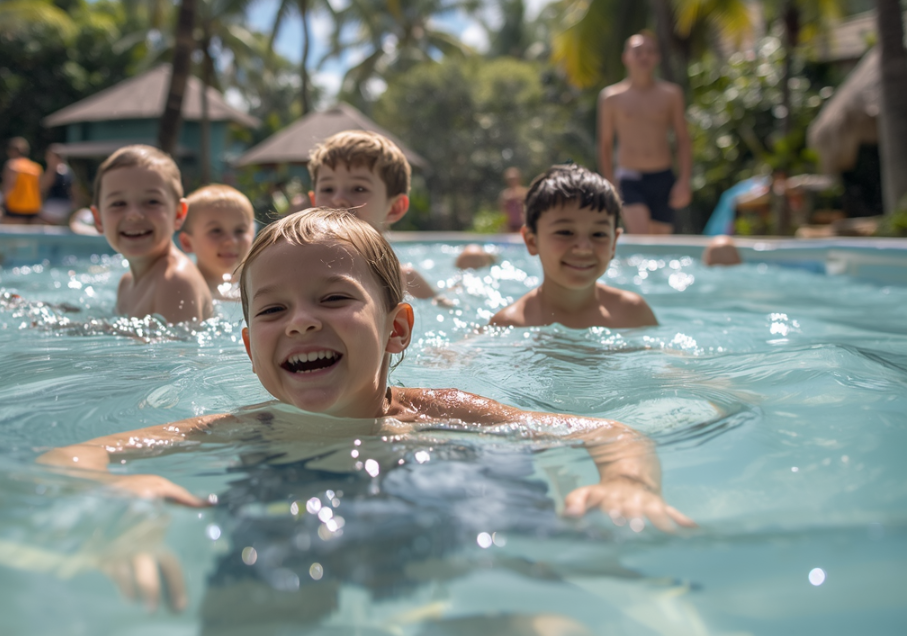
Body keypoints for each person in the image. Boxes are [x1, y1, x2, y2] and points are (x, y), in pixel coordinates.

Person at [38, 209, 692, 588]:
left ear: (397, 329)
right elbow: (69, 458)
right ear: (249, 346)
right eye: (272, 310)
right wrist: (118, 495)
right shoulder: (246, 426)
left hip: (451, 543)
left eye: (333, 298)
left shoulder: (442, 412)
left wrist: (628, 485)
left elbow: (608, 431)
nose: (300, 322)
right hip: (291, 553)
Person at [490, 165, 658, 330]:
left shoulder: (633, 314)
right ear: (532, 241)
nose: (583, 248)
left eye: (598, 234)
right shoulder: (509, 325)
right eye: (565, 232)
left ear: (613, 243)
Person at [307, 130, 438, 299]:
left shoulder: (406, 281)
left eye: (359, 189)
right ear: (314, 203)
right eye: (327, 189)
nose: (338, 199)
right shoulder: (301, 271)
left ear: (394, 208)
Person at [90, 145, 213, 323]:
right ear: (98, 219)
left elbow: (176, 342)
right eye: (118, 204)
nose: (133, 215)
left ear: (178, 214)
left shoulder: (175, 281)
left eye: (152, 201)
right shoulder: (126, 283)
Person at [598, 32, 692, 235]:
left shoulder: (671, 94)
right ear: (626, 57)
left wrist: (684, 180)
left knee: (659, 244)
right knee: (641, 238)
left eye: (650, 51)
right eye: (638, 51)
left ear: (657, 57)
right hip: (629, 178)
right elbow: (605, 144)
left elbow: (683, 139)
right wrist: (608, 184)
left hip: (663, 177)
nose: (644, 57)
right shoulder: (611, 97)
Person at [178, 183, 256, 296]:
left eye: (240, 231)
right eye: (216, 231)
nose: (231, 241)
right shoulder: (184, 290)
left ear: (252, 234)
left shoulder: (257, 284)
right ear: (187, 242)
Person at [1, 137, 44, 223]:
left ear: (13, 151)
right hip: (33, 209)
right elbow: (41, 189)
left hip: (15, 208)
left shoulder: (12, 166)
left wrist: (1, 204)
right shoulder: (36, 168)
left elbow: (9, 186)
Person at [39, 148, 75, 225]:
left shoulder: (54, 170)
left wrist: (50, 167)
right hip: (66, 205)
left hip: (53, 207)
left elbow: (43, 186)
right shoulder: (68, 170)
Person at [500, 167, 528, 233]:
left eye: (514, 179)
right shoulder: (505, 195)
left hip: (523, 224)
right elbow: (503, 212)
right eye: (510, 179)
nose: (512, 181)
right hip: (511, 226)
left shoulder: (525, 193)